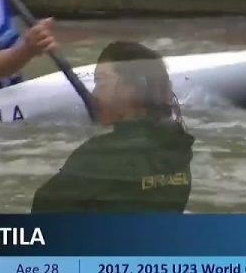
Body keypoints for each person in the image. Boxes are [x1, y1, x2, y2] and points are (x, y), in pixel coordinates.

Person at [30, 41, 195, 213]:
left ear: (132, 89)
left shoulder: (98, 155)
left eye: (101, 82)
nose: (95, 93)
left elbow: (43, 211)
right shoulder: (179, 147)